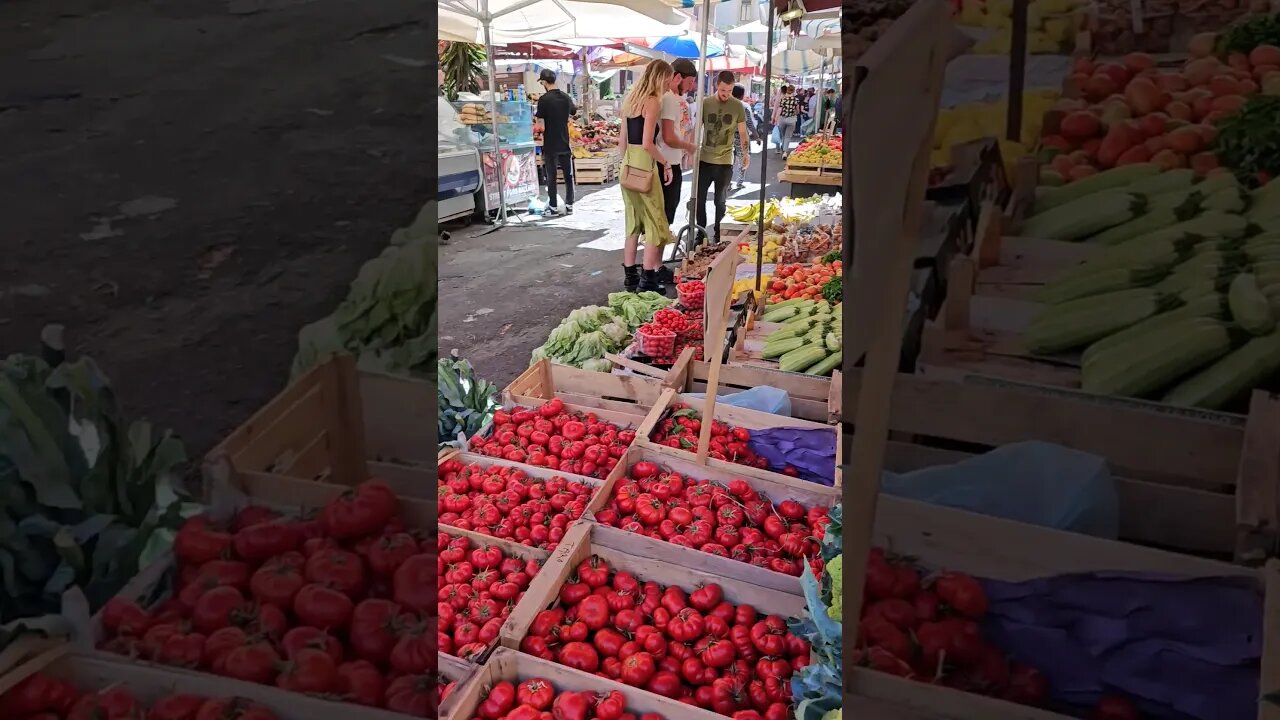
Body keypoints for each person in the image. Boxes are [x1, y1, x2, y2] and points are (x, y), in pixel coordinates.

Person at [619, 61, 676, 293]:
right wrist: (665, 163)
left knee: (632, 223)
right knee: (655, 222)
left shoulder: (630, 100)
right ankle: (648, 280)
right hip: (645, 165)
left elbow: (622, 142)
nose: (668, 84)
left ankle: (630, 277)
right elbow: (647, 143)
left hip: (628, 166)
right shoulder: (653, 101)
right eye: (668, 79)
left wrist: (627, 165)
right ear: (660, 77)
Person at [696, 71, 751, 244]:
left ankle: (719, 233)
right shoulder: (705, 103)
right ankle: (701, 232)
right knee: (699, 199)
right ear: (716, 85)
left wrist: (745, 153)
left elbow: (743, 132)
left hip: (725, 161)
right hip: (704, 159)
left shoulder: (737, 106)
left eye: (729, 90)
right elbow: (697, 128)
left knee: (720, 201)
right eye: (722, 90)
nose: (726, 94)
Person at [656, 58, 698, 227]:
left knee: (661, 215)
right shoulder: (670, 99)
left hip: (666, 161)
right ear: (678, 77)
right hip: (667, 163)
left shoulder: (664, 98)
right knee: (665, 216)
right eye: (690, 82)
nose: (691, 87)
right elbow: (669, 137)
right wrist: (689, 147)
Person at [535, 68, 577, 216]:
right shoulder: (566, 97)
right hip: (565, 140)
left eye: (541, 82)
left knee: (551, 175)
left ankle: (552, 207)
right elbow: (573, 111)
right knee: (568, 175)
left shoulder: (544, 100)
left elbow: (540, 121)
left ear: (545, 82)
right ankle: (570, 204)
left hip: (550, 142)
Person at [731, 85, 756, 190]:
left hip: (729, 136)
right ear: (742, 95)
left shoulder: (727, 105)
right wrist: (756, 134)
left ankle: (727, 183)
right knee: (743, 159)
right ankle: (739, 182)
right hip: (742, 136)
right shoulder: (745, 106)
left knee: (729, 161)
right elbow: (749, 122)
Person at [774, 85, 800, 157]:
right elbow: (798, 111)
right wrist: (794, 112)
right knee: (788, 136)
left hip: (782, 118)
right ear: (794, 91)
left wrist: (776, 119)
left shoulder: (783, 99)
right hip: (792, 119)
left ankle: (783, 147)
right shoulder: (796, 100)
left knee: (783, 135)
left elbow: (780, 109)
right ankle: (785, 152)